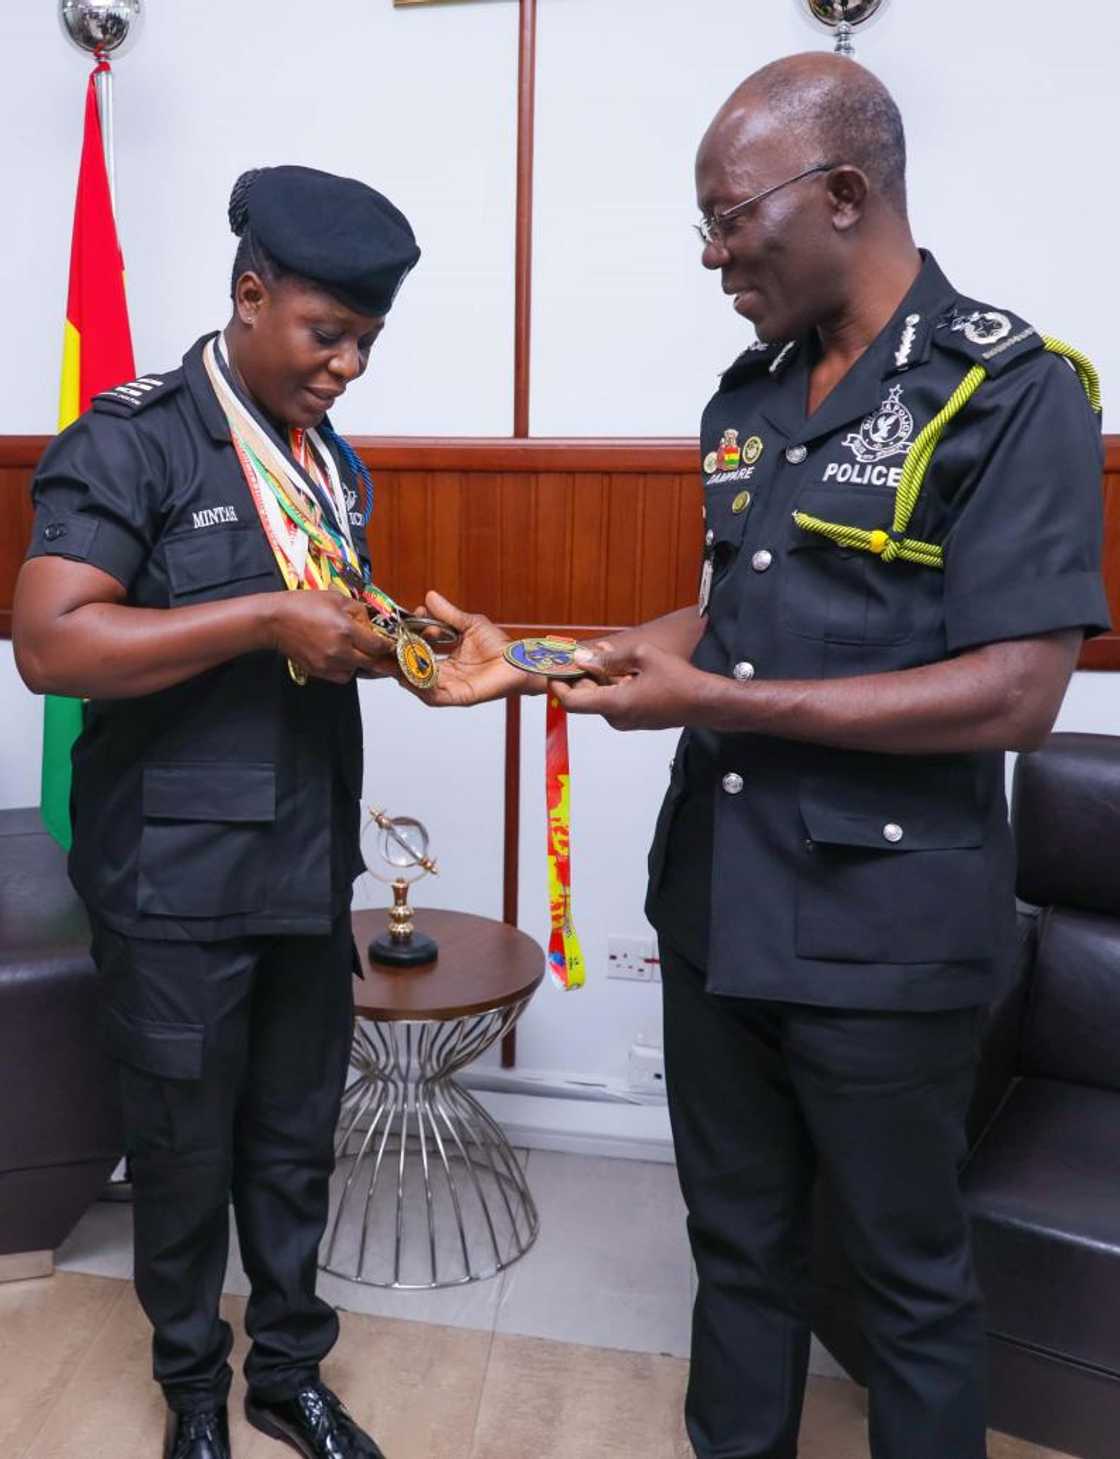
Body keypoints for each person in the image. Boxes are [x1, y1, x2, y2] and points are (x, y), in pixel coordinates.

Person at [413, 53, 1109, 1459]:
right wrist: (551, 664)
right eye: (707, 227)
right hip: (722, 908)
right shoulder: (753, 394)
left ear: (843, 193)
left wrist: (719, 704)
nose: (716, 256)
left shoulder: (1011, 391)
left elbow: (1020, 691)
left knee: (907, 1287)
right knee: (735, 1256)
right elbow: (731, 617)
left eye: (731, 219)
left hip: (885, 935)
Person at [13, 164, 420, 1459]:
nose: (348, 364)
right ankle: (194, 1387)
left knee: (296, 1148)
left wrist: (408, 645)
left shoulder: (328, 463)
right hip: (174, 884)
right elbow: (49, 642)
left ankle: (286, 1375)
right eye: (326, 334)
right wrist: (262, 617)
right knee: (183, 1159)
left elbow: (322, 625)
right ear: (251, 296)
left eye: (366, 340)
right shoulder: (130, 438)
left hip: (306, 871)